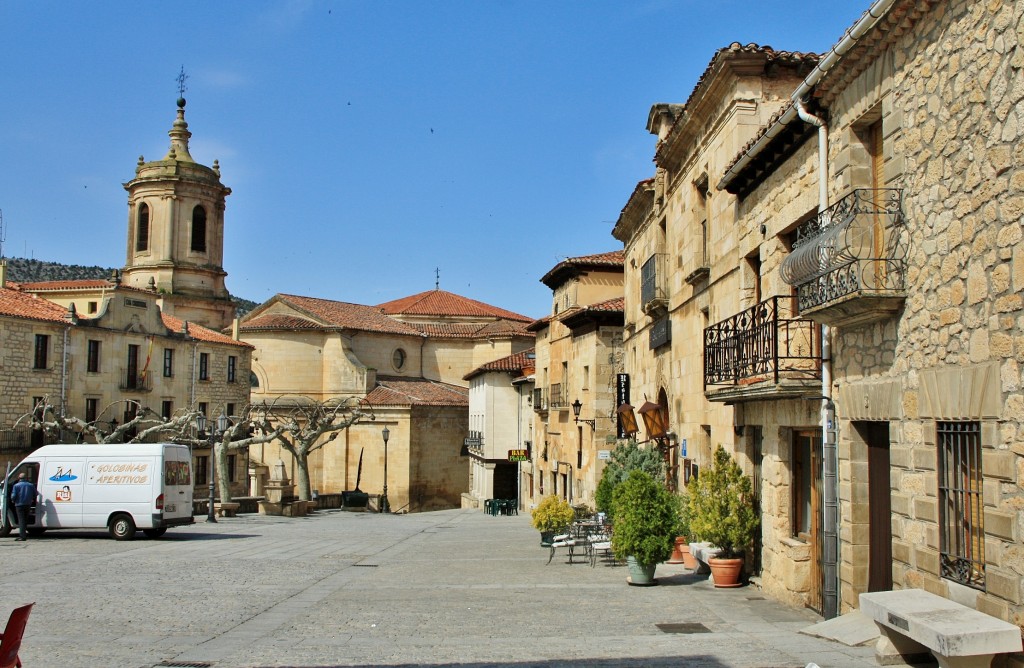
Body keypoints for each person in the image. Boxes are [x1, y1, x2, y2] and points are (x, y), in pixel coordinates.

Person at [11, 472, 37, 541]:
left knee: (21, 520)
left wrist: (13, 500)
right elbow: (35, 494)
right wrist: (31, 499)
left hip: (19, 504)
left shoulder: (16, 486)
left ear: (19, 478)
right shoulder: (31, 485)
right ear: (26, 478)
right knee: (25, 520)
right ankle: (24, 534)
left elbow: (13, 495)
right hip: (28, 504)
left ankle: (22, 536)